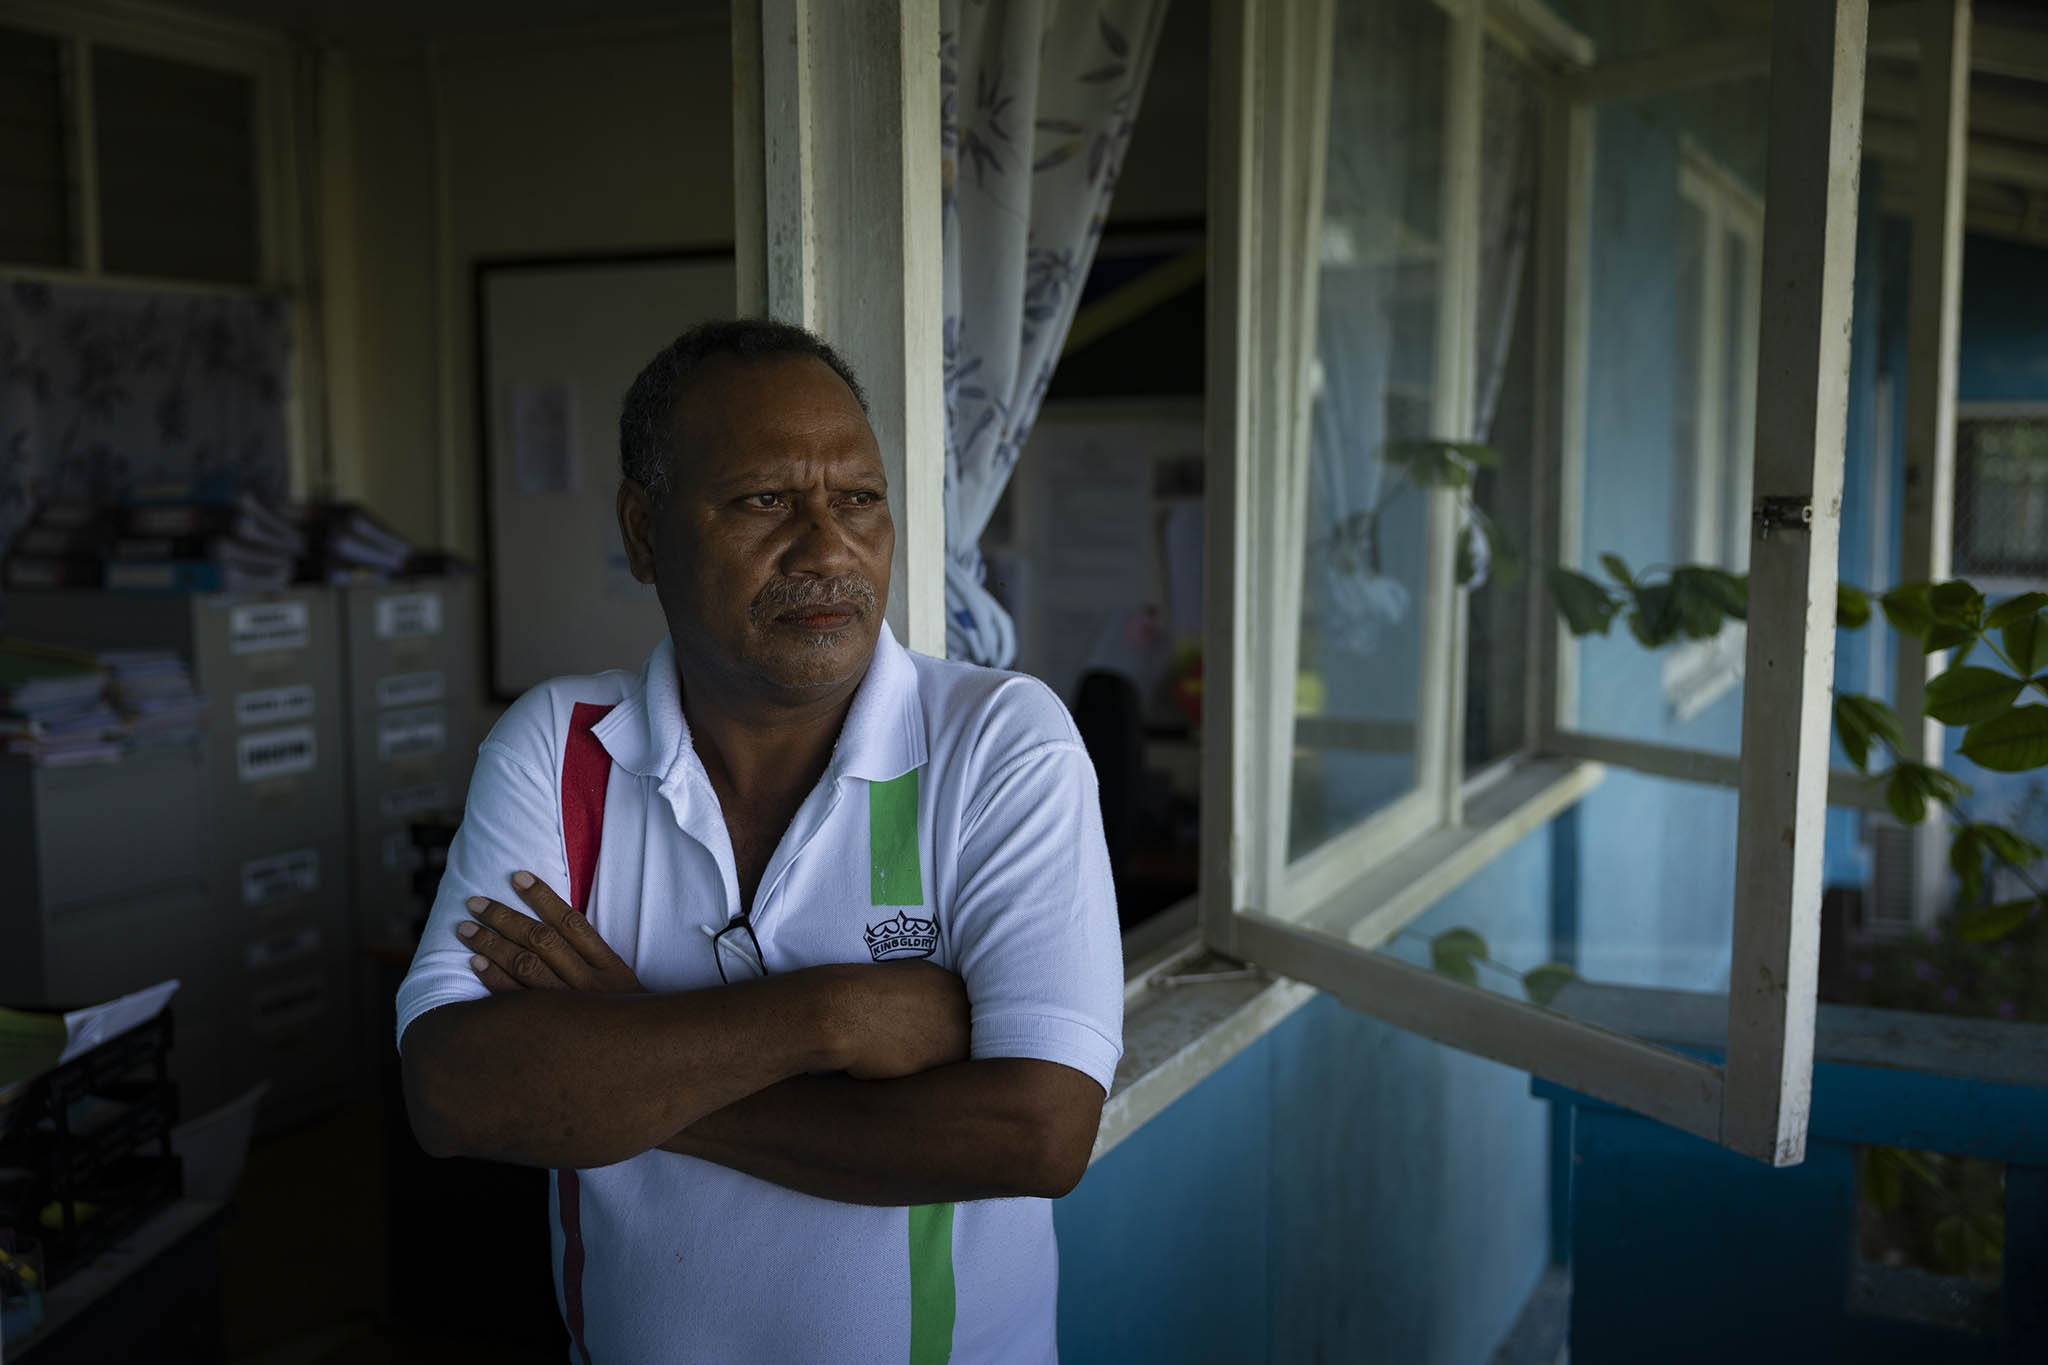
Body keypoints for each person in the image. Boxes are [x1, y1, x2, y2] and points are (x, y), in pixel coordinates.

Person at [396, 318, 1124, 1364]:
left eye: (859, 499)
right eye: (762, 501)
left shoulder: (997, 742)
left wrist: (625, 1061)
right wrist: (832, 1018)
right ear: (644, 531)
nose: (827, 548)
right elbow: (454, 1093)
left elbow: (1036, 1135)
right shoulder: (560, 749)